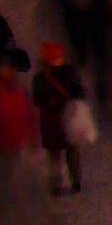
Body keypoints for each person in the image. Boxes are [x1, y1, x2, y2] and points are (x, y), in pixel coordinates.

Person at [30, 43, 88, 196]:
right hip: (64, 120)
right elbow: (79, 92)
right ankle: (75, 182)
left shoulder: (40, 77)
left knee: (55, 156)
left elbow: (37, 100)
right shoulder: (69, 72)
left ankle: (57, 185)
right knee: (70, 153)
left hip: (52, 121)